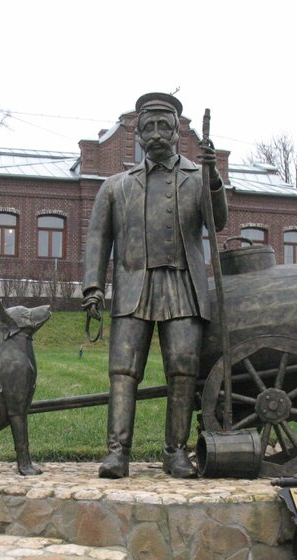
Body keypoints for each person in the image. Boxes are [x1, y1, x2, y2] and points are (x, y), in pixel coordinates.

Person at [82, 92, 227, 479]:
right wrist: (93, 287)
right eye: (149, 127)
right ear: (140, 135)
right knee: (123, 371)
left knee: (182, 370)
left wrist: (213, 178)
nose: (158, 133)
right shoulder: (115, 186)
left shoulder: (197, 178)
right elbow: (98, 238)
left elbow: (219, 221)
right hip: (133, 286)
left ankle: (175, 452)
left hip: (183, 285)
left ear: (178, 133)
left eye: (166, 126)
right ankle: (117, 453)